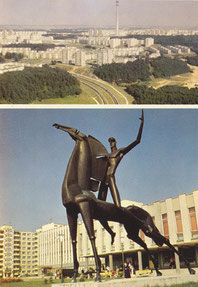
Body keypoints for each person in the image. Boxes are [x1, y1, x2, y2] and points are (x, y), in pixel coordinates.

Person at [98, 110, 144, 208]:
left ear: (116, 142)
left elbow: (137, 141)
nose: (111, 143)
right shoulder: (107, 155)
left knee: (118, 206)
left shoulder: (120, 152)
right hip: (103, 180)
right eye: (110, 142)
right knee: (98, 206)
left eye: (113, 141)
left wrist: (142, 124)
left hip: (110, 178)